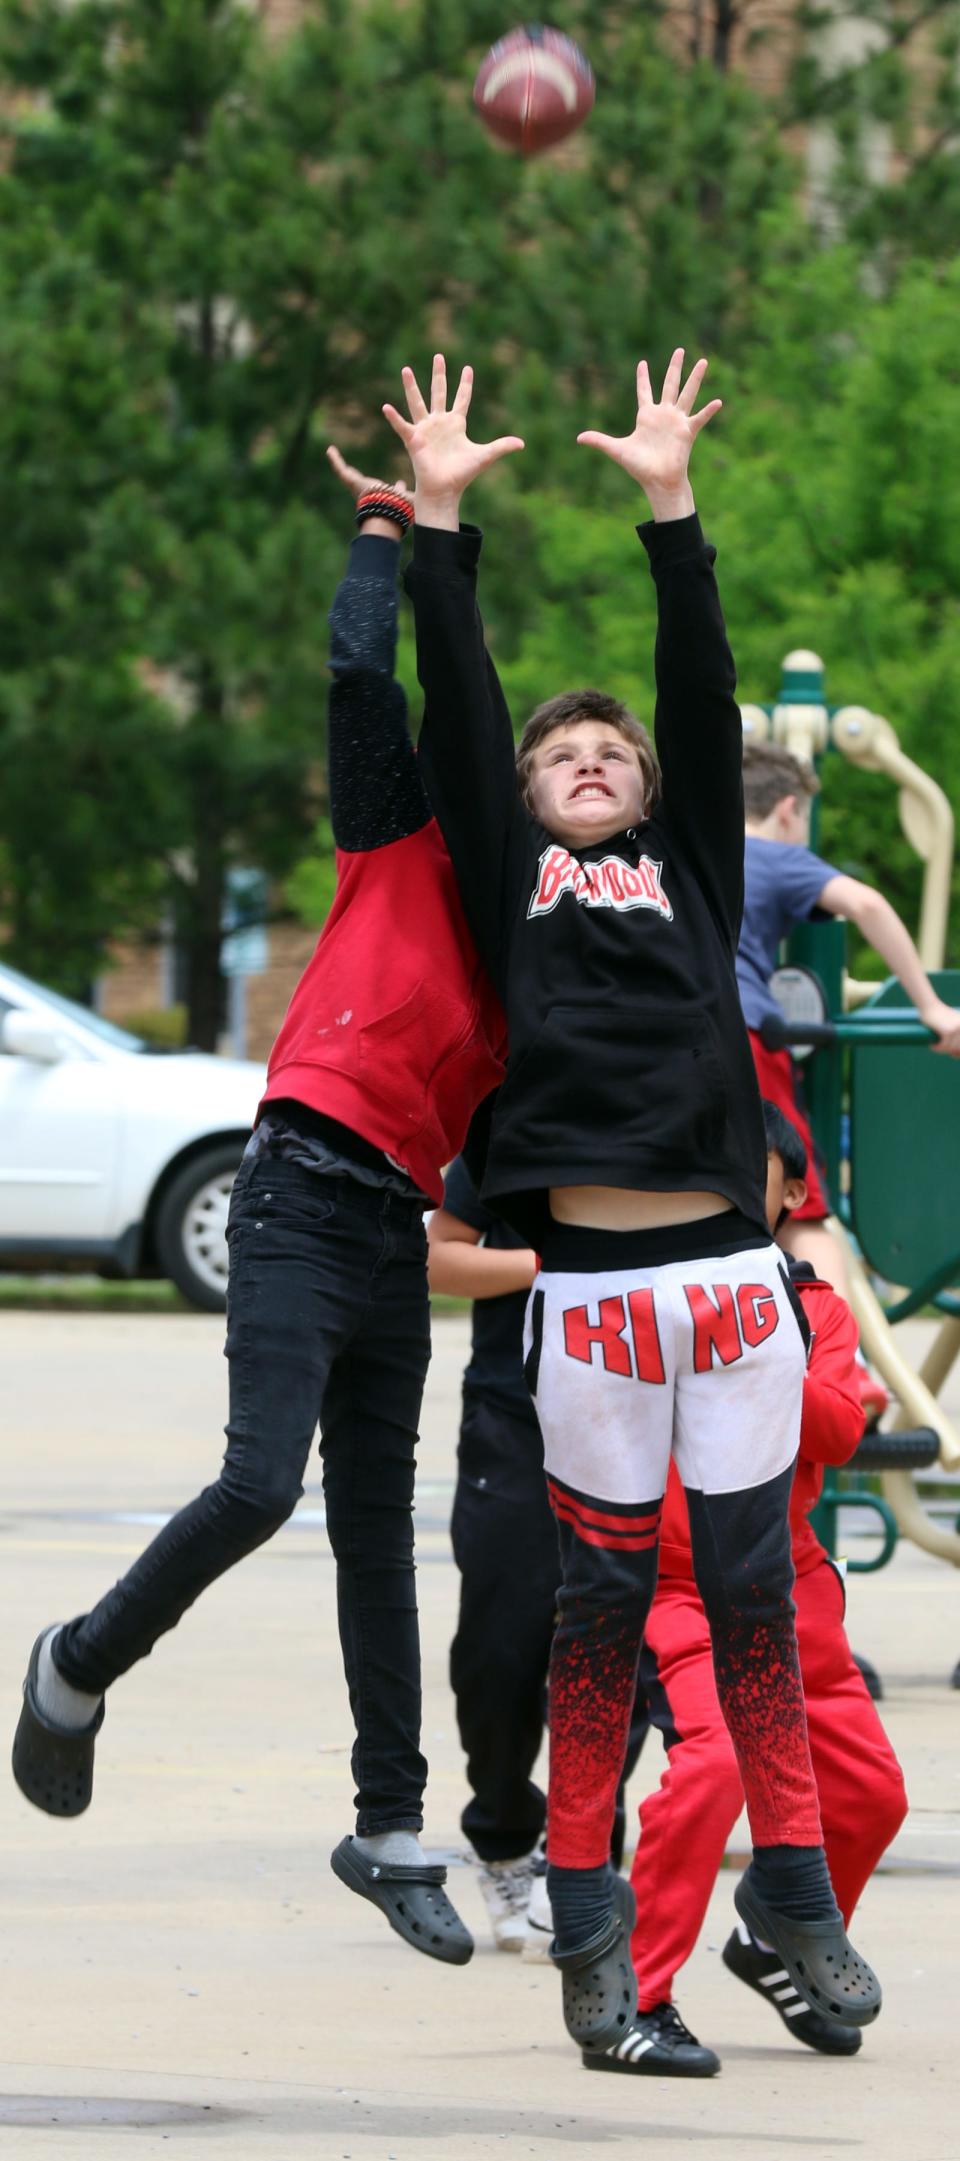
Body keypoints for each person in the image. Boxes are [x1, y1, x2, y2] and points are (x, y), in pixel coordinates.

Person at [386, 346, 882, 2057]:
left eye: (612, 745)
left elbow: (697, 678)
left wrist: (672, 506)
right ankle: (593, 1935)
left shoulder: (690, 868)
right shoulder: (505, 875)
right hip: (589, 1292)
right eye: (563, 751)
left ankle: (795, 1899)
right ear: (521, 804)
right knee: (597, 1617)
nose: (591, 752)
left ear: (661, 789)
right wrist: (440, 521)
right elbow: (458, 701)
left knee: (757, 1595)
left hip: (729, 1275)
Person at [11, 456, 506, 1968]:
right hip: (297, 1180)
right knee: (259, 1487)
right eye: (550, 760)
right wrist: (395, 528)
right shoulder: (401, 843)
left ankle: (388, 1822)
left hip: (393, 1236)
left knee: (380, 1532)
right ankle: (78, 1661)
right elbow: (370, 665)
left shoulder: (537, 977)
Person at [590, 1102, 907, 2079]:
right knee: (718, 1765)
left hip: (792, 1586)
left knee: (872, 1795)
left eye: (749, 1168)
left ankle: (777, 1936)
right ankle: (631, 1999)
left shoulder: (816, 1310)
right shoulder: (647, 1290)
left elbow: (839, 1431)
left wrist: (755, 1340)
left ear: (790, 1193)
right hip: (681, 1588)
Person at [427, 1154, 648, 1954]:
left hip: (636, 1409)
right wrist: (551, 1266)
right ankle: (504, 1834)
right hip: (513, 1414)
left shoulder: (664, 1113)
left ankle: (580, 1852)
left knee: (618, 1643)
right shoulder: (505, 1122)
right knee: (500, 1647)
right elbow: (442, 1254)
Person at [739, 739, 960, 1298]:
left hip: (660, 1041)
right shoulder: (779, 855)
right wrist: (929, 1006)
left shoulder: (683, 851)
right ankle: (843, 1368)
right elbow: (867, 905)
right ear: (789, 809)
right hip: (741, 1035)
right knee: (801, 1205)